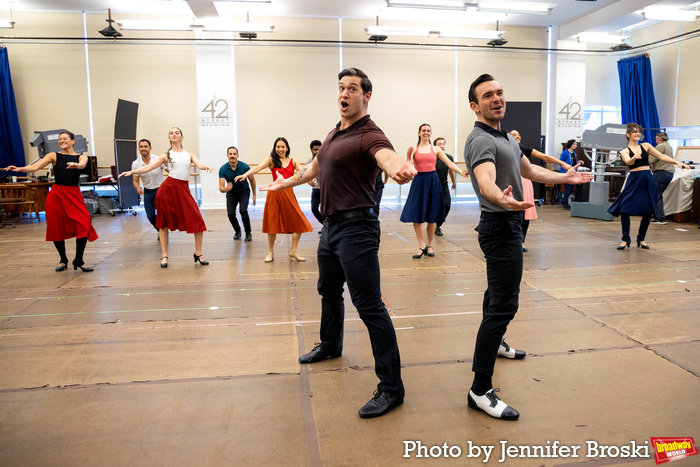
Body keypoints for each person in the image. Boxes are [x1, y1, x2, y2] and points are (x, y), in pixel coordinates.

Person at [260, 67, 416, 418]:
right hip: (330, 230)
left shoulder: (369, 134)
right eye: (341, 88)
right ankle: (330, 345)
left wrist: (397, 169)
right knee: (327, 291)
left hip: (357, 229)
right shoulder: (334, 133)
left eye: (352, 89)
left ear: (366, 96)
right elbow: (314, 169)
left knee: (370, 306)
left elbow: (386, 157)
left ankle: (392, 388)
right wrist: (282, 185)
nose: (345, 94)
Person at [464, 74, 592, 420]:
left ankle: (499, 344)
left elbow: (530, 170)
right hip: (500, 225)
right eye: (487, 95)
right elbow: (486, 180)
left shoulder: (505, 135)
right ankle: (479, 389)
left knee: (496, 296)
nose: (497, 98)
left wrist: (565, 178)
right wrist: (501, 199)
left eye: (500, 92)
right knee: (504, 305)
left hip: (509, 222)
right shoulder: (479, 140)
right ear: (475, 106)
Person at [119, 127, 214, 268]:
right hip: (168, 190)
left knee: (197, 220)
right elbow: (148, 168)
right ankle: (164, 256)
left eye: (177, 133)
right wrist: (132, 171)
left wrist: (205, 166)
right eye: (171, 133)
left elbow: (198, 164)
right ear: (169, 138)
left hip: (183, 189)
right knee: (163, 223)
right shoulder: (165, 156)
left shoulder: (189, 154)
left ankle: (198, 253)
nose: (174, 134)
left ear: (182, 137)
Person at [6, 131, 98, 272]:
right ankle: (63, 259)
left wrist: (76, 165)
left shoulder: (82, 157)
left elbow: (82, 165)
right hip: (56, 194)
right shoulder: (53, 155)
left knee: (84, 222)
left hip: (73, 193)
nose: (62, 141)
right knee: (56, 226)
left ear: (72, 141)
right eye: (60, 139)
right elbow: (35, 167)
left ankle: (78, 259)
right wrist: (19, 169)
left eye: (65, 138)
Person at [608, 123, 689, 250]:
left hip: (647, 179)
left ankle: (641, 239)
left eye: (639, 131)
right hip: (634, 179)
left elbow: (661, 156)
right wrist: (633, 158)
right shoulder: (625, 151)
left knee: (648, 210)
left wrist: (677, 162)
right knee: (625, 208)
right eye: (634, 132)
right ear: (628, 134)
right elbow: (628, 161)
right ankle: (625, 239)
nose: (637, 133)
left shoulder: (646, 146)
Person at [234, 137, 312, 262]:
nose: (280, 149)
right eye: (278, 147)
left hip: (289, 195)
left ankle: (293, 251)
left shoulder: (293, 161)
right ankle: (270, 252)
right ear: (275, 148)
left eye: (282, 147)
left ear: (287, 148)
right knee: (272, 224)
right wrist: (244, 175)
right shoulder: (271, 160)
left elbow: (304, 173)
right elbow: (257, 168)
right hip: (274, 195)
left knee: (299, 222)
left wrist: (311, 181)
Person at [401, 124, 467, 259]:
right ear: (419, 133)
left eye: (428, 131)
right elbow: (407, 164)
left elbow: (449, 163)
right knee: (417, 215)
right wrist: (407, 172)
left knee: (432, 216)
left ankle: (430, 245)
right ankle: (421, 245)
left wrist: (461, 171)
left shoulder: (436, 149)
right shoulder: (413, 149)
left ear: (431, 133)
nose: (426, 132)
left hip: (433, 182)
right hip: (419, 182)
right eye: (423, 130)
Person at [509, 130, 573, 252]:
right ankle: (511, 240)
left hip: (524, 181)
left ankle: (521, 241)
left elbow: (544, 156)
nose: (518, 136)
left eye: (519, 134)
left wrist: (562, 163)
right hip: (510, 181)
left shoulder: (524, 150)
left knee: (525, 213)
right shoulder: (504, 149)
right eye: (514, 135)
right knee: (510, 212)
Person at [219, 146, 256, 242]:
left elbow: (252, 181)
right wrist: (226, 189)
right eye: (230, 154)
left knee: (243, 210)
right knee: (230, 214)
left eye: (234, 154)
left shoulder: (244, 167)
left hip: (244, 191)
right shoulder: (223, 169)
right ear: (227, 155)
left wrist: (254, 195)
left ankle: (248, 232)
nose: (232, 156)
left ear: (237, 155)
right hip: (231, 193)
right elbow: (221, 188)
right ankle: (237, 231)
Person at [132, 139, 165, 239]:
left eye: (145, 146)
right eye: (141, 146)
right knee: (150, 216)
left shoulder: (157, 159)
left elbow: (169, 169)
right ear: (138, 148)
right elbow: (135, 181)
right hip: (148, 192)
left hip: (160, 190)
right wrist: (138, 189)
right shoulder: (136, 164)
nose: (143, 149)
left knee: (162, 215)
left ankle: (163, 234)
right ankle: (161, 231)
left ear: (150, 148)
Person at [433, 137, 457, 237]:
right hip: (433, 186)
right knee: (434, 207)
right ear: (435, 146)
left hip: (444, 185)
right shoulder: (432, 158)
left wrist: (454, 182)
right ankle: (433, 225)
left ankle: (437, 225)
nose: (442, 146)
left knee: (447, 205)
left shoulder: (449, 157)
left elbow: (451, 170)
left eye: (443, 144)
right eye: (439, 144)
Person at [650, 131, 675, 225]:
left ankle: (660, 218)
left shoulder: (660, 146)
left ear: (659, 139)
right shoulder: (668, 145)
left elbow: (652, 159)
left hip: (661, 172)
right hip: (669, 172)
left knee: (657, 195)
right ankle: (659, 215)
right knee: (659, 194)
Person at [304, 140, 323, 234]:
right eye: (315, 149)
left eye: (319, 149)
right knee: (314, 209)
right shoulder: (308, 162)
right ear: (311, 150)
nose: (317, 152)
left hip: (326, 189)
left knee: (326, 210)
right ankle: (325, 225)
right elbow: (304, 176)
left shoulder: (326, 161)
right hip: (316, 189)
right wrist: (309, 181)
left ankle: (327, 228)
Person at [559, 139, 578, 210]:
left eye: (576, 144)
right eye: (574, 144)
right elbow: (561, 162)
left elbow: (573, 162)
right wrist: (566, 169)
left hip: (572, 173)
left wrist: (579, 162)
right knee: (568, 188)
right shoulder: (565, 153)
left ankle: (564, 200)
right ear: (570, 144)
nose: (575, 146)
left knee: (571, 188)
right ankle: (565, 204)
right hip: (566, 173)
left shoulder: (574, 153)